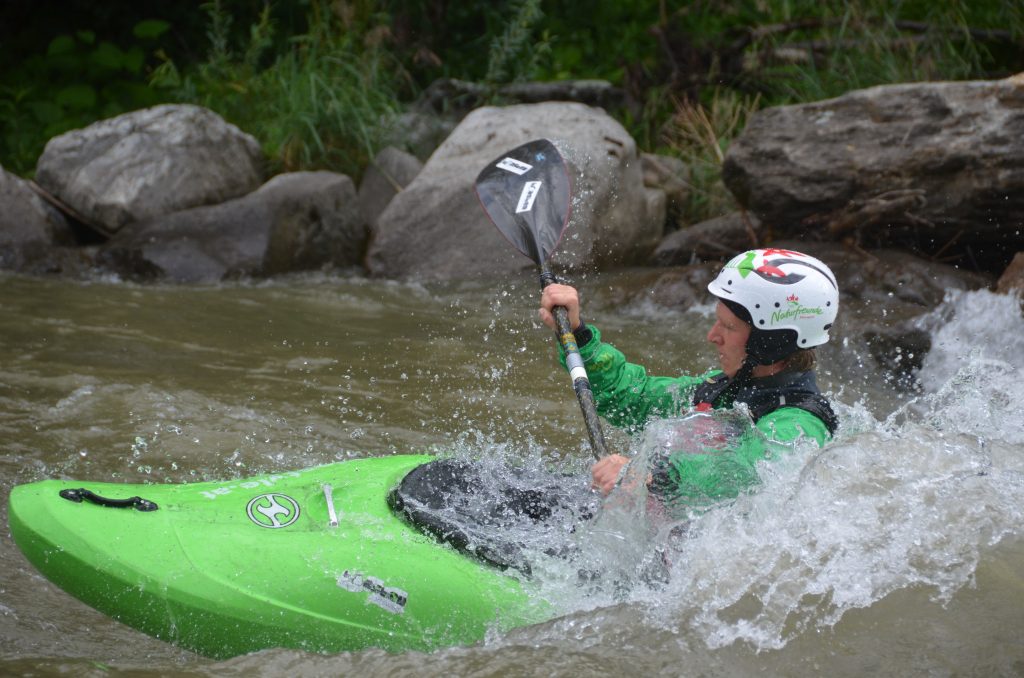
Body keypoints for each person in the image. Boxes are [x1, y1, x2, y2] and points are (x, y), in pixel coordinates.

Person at [539, 248, 840, 509]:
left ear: (771, 341)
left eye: (728, 327)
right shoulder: (721, 391)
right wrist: (577, 332)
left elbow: (751, 473)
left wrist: (647, 474)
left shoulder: (803, 426)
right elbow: (633, 397)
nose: (713, 336)